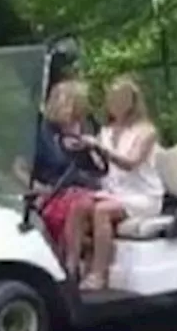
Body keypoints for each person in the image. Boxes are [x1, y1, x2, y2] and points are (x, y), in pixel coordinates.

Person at [76, 75, 165, 291]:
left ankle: (99, 274)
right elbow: (99, 165)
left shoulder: (145, 132)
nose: (114, 103)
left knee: (102, 211)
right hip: (114, 192)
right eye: (112, 99)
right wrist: (83, 149)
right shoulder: (105, 131)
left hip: (142, 196)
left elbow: (130, 163)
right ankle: (75, 268)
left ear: (132, 102)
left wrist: (100, 148)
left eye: (120, 99)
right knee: (78, 207)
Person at [14, 79, 102, 272]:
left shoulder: (87, 128)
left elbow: (99, 166)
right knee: (81, 206)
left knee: (92, 205)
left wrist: (91, 147)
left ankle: (74, 262)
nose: (76, 111)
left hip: (87, 187)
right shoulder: (41, 132)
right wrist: (38, 188)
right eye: (72, 104)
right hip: (54, 191)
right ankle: (69, 265)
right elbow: (18, 167)